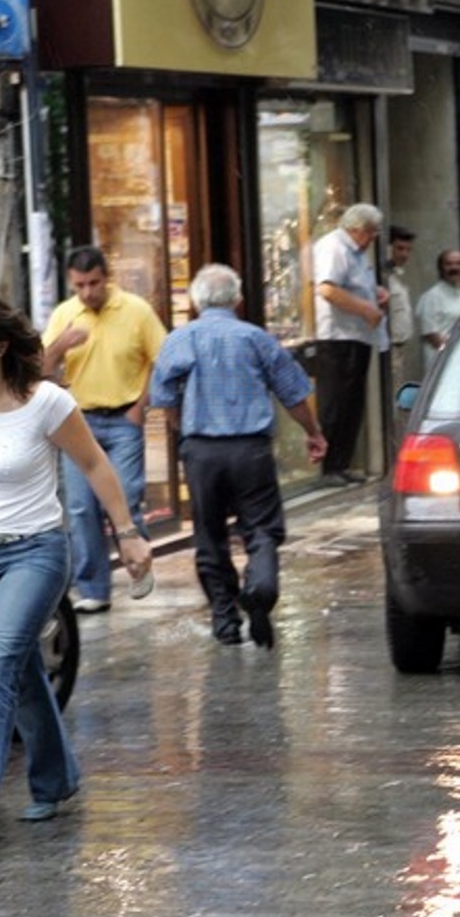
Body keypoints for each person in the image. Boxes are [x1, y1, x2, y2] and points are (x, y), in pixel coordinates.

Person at [0, 290, 153, 845]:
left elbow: (94, 464)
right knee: (17, 669)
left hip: (35, 554)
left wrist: (130, 534)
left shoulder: (45, 402)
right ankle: (57, 779)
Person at [148, 263, 328, 650]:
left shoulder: (182, 339)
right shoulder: (256, 338)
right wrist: (313, 433)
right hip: (251, 450)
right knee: (261, 528)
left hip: (203, 451)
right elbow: (293, 392)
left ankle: (225, 619)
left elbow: (164, 398)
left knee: (209, 535)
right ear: (239, 300)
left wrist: (185, 434)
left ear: (195, 303)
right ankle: (260, 588)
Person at [40, 245, 167, 613]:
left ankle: (139, 569)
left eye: (94, 283)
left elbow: (161, 360)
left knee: (125, 498)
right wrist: (62, 344)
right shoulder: (65, 315)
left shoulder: (136, 311)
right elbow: (42, 370)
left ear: (106, 277)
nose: (87, 292)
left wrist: (141, 408)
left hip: (124, 418)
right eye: (79, 285)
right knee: (80, 507)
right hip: (78, 421)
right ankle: (94, 588)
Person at [312, 202, 388, 486]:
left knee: (352, 403)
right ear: (356, 229)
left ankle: (342, 463)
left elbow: (353, 286)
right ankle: (329, 466)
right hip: (337, 337)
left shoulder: (357, 253)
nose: (373, 239)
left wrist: (375, 294)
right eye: (371, 233)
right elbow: (327, 289)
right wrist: (365, 309)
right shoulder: (334, 247)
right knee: (335, 403)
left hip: (358, 335)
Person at [414, 247, 460, 358]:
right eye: (448, 264)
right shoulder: (431, 297)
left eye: (458, 263)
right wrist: (451, 355)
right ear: (441, 268)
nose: (454, 268)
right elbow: (432, 336)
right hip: (442, 359)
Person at [385, 224, 418, 387]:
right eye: (400, 248)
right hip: (387, 350)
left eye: (408, 249)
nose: (404, 254)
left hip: (398, 350)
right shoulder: (383, 277)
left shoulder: (395, 276)